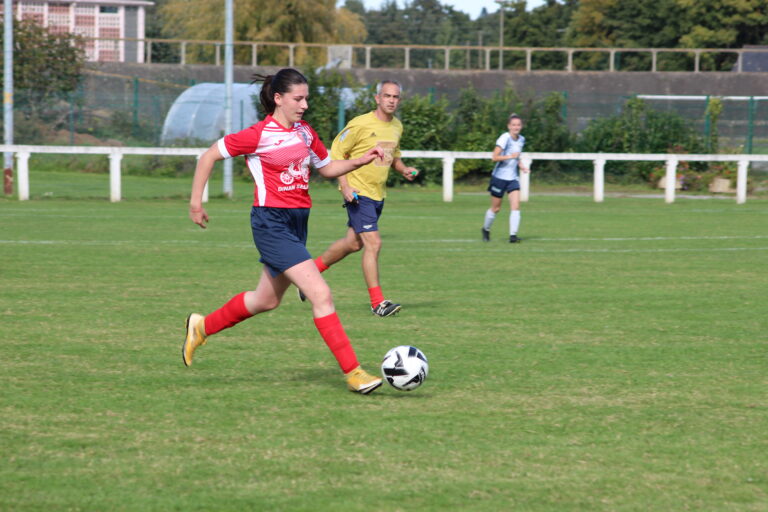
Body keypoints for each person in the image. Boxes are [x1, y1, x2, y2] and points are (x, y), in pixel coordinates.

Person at [183, 68, 386, 395]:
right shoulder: (258, 134)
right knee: (320, 294)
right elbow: (208, 156)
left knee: (265, 300)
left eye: (306, 98)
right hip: (271, 223)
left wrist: (361, 160)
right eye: (298, 99)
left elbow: (327, 168)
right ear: (278, 98)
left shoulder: (305, 132)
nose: (304, 105)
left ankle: (201, 326)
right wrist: (196, 203)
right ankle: (354, 372)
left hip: (297, 223)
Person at [298, 80, 418, 317]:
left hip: (377, 194)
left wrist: (403, 169)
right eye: (387, 96)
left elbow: (393, 156)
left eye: (395, 97)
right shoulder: (360, 124)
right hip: (358, 193)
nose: (391, 100)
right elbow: (337, 153)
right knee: (374, 244)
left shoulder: (396, 126)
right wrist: (344, 185)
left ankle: (307, 276)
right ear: (377, 98)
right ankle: (378, 303)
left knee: (353, 244)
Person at [481, 113, 529, 243]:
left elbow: (516, 157)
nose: (516, 127)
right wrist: (510, 156)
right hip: (499, 178)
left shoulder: (522, 139)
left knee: (516, 206)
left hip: (512, 178)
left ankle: (513, 236)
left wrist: (522, 166)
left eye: (518, 125)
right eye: (513, 125)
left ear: (521, 126)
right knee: (496, 208)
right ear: (509, 126)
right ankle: (486, 229)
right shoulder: (504, 138)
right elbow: (494, 157)